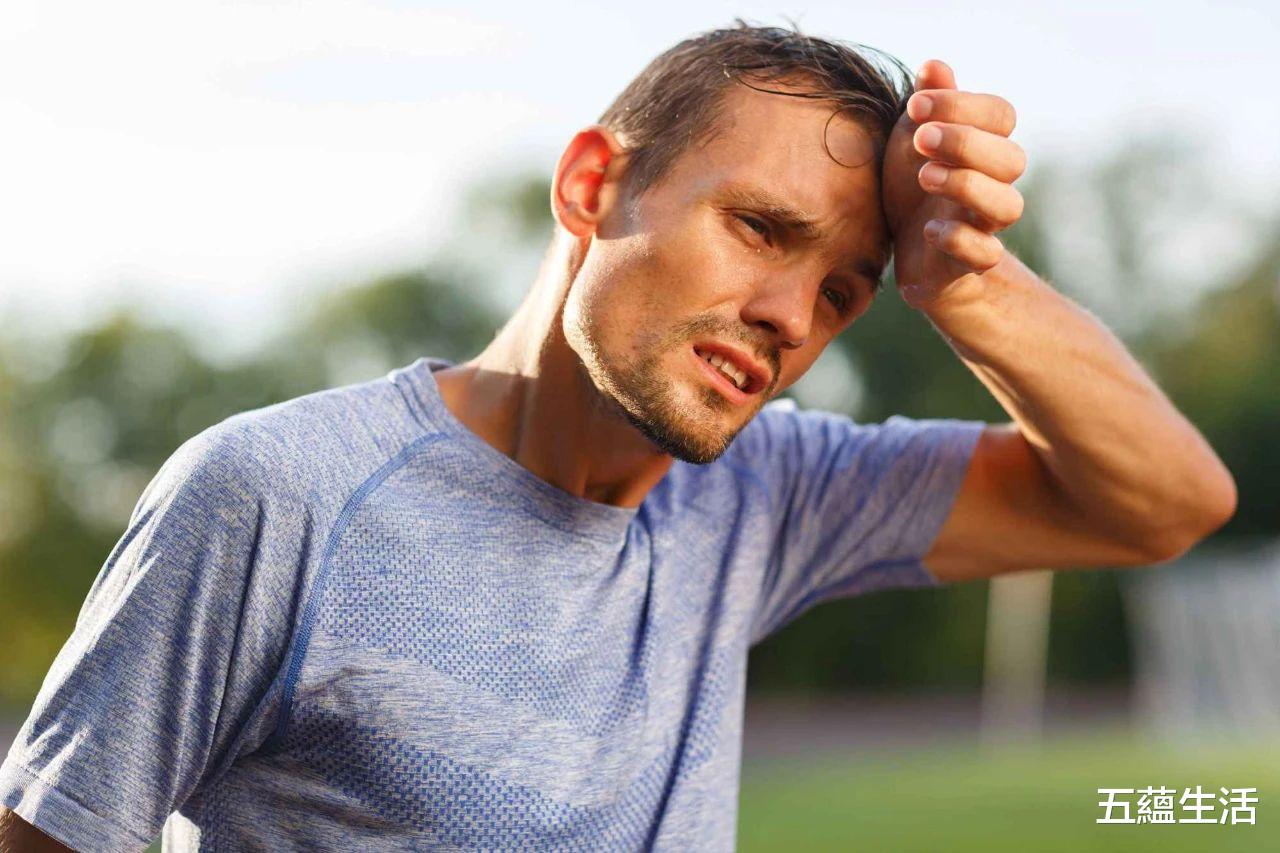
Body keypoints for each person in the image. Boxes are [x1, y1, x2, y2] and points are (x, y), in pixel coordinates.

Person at [0, 21, 1235, 853]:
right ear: (592, 184)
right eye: (758, 228)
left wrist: (964, 284)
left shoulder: (768, 493)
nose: (788, 315)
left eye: (841, 292)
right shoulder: (277, 491)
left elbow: (1163, 501)